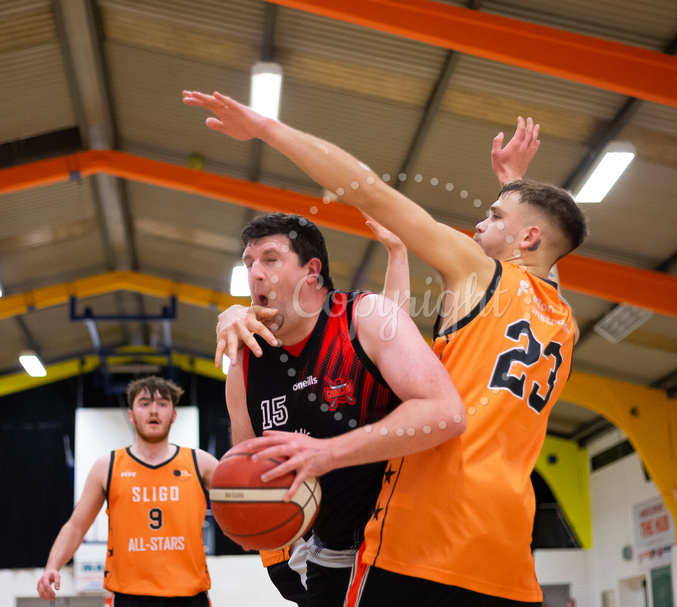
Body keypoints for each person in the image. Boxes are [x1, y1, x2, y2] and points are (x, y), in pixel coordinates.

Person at [183, 90, 587, 606]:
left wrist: (266, 128)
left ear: (526, 238)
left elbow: (367, 188)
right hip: (507, 551)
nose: (478, 223)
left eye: (493, 214)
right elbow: (548, 254)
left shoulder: (478, 272)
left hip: (425, 531)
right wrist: (514, 185)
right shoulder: (562, 318)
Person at [220, 212, 465, 607]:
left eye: (270, 259)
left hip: (408, 549)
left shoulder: (362, 317)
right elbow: (251, 470)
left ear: (311, 271)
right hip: (327, 556)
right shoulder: (246, 362)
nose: (255, 273)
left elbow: (446, 413)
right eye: (249, 263)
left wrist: (328, 453)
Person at [36, 376, 219, 607]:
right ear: (131, 415)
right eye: (144, 403)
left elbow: (242, 499)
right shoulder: (108, 466)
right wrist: (52, 566)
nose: (154, 411)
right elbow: (76, 525)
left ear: (174, 415)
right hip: (130, 597)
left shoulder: (200, 462)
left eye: (162, 404)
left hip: (189, 596)